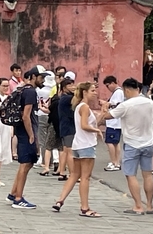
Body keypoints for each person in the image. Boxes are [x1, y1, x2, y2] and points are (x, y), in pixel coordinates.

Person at [53, 82, 108, 218]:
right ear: (85, 92)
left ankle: (60, 200)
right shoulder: (84, 107)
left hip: (78, 144)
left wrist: (103, 112)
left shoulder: (80, 106)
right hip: (86, 145)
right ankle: (85, 207)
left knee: (74, 175)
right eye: (93, 91)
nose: (95, 93)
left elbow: (93, 122)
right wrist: (97, 131)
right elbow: (85, 126)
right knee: (85, 177)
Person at [111, 78, 153, 214]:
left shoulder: (126, 105)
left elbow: (109, 116)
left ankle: (138, 205)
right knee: (147, 175)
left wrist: (103, 112)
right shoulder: (149, 102)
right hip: (148, 142)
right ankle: (149, 205)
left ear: (127, 90)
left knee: (131, 174)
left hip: (132, 143)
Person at [7, 66, 46, 209]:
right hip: (26, 131)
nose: (43, 80)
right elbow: (26, 115)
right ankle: (18, 198)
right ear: (34, 77)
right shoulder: (30, 92)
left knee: (27, 163)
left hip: (23, 130)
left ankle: (13, 193)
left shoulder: (23, 89)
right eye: (41, 77)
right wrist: (31, 135)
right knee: (25, 163)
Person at [37, 71, 61, 175]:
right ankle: (56, 161)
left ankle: (45, 163)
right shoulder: (55, 88)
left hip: (42, 114)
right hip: (54, 118)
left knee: (45, 141)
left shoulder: (40, 90)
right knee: (58, 144)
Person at [56, 77, 77, 180]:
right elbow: (78, 98)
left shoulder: (64, 97)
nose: (73, 87)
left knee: (65, 150)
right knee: (70, 151)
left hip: (65, 126)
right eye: (70, 85)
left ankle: (62, 171)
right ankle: (73, 174)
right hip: (69, 127)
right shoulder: (67, 98)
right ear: (64, 88)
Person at [102, 76, 124, 171]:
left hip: (114, 122)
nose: (108, 88)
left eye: (108, 85)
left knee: (110, 142)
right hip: (115, 122)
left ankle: (114, 162)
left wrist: (106, 103)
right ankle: (116, 162)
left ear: (113, 83)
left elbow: (117, 105)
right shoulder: (117, 92)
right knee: (115, 143)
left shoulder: (118, 92)